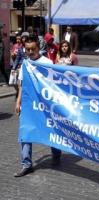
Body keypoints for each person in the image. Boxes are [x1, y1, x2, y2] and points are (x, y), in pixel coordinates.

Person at [14, 35, 62, 177]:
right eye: (27, 49)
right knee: (26, 132)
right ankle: (26, 164)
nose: (30, 52)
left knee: (51, 128)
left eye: (33, 49)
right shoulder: (25, 64)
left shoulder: (47, 62)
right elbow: (22, 84)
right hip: (29, 105)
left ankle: (56, 152)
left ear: (38, 48)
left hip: (45, 104)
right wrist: (18, 101)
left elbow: (53, 83)